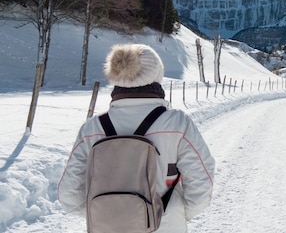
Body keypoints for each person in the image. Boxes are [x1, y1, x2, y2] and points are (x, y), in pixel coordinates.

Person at [58, 43, 215, 232]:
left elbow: (68, 194)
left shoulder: (92, 127)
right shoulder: (177, 123)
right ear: (156, 76)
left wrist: (108, 214)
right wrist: (178, 214)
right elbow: (201, 181)